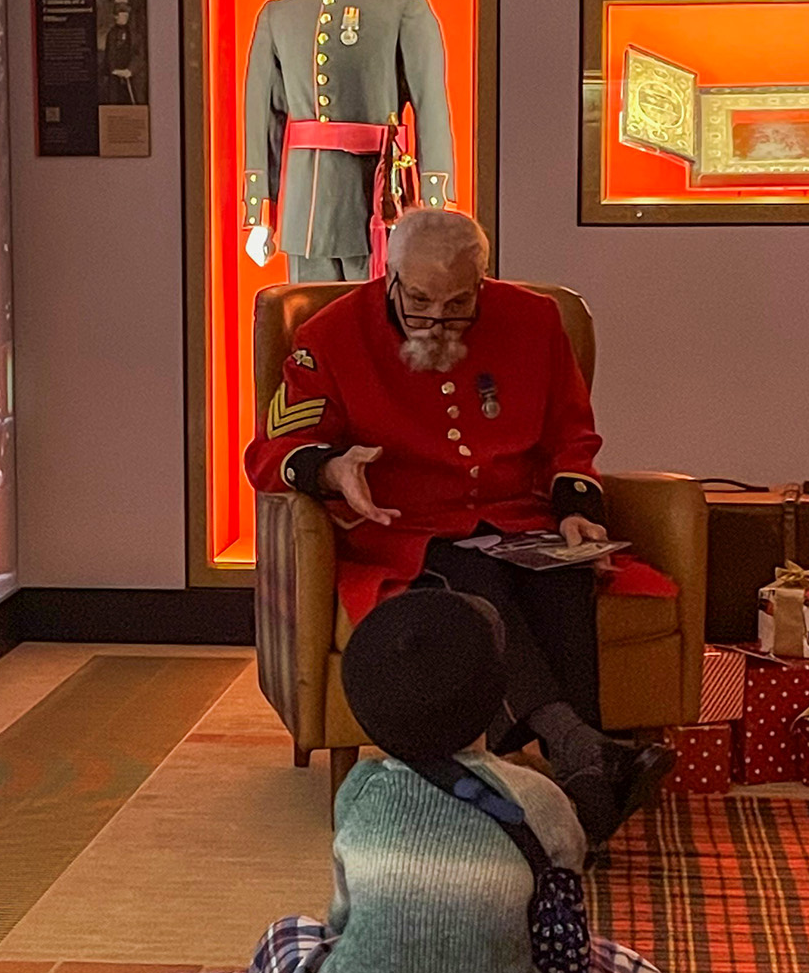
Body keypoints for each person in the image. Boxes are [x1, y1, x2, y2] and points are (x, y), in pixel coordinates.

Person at [111, 589, 695, 973]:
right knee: (622, 968)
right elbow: (556, 919)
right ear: (495, 697)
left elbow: (342, 921)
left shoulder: (360, 793)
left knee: (288, 937)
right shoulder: (539, 800)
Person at [243, 208, 674, 847]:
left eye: (456, 303)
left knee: (561, 579)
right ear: (389, 275)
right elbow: (272, 454)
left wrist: (578, 511)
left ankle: (578, 779)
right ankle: (585, 759)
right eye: (417, 301)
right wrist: (333, 470)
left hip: (516, 520)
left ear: (482, 281)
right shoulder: (328, 336)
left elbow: (570, 438)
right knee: (469, 577)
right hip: (403, 533)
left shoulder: (534, 320)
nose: (436, 321)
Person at [240, 0, 454, 282]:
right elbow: (263, 122)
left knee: (375, 329)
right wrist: (260, 214)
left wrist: (432, 213)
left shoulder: (404, 11)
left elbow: (431, 111)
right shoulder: (278, 16)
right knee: (308, 327)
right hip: (304, 214)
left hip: (375, 201)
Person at [100, 0, 145, 105]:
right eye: (120, 14)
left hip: (132, 78)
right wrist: (112, 70)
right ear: (115, 16)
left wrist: (129, 71)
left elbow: (139, 55)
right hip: (115, 79)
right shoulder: (111, 34)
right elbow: (109, 55)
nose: (124, 17)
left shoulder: (135, 35)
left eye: (126, 14)